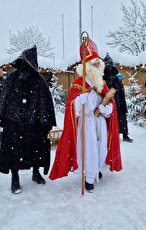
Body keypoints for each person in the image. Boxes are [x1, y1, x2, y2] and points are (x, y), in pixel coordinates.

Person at [49, 38, 122, 193]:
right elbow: (70, 108)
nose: (97, 65)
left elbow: (110, 105)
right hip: (87, 121)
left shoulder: (101, 83)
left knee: (101, 148)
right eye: (94, 63)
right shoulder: (79, 83)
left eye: (98, 63)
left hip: (100, 122)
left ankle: (95, 169)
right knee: (89, 150)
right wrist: (78, 101)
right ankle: (89, 178)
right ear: (87, 67)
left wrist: (106, 109)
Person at [0, 46, 56, 194]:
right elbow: (4, 101)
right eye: (22, 63)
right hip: (14, 123)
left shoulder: (39, 80)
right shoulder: (12, 79)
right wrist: (3, 119)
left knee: (37, 150)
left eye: (27, 63)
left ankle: (36, 172)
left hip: (34, 123)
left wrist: (46, 121)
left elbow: (46, 101)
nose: (25, 66)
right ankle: (15, 178)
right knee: (15, 151)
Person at [103, 53, 133, 143]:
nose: (109, 69)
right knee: (111, 117)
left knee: (122, 117)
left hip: (119, 100)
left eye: (111, 67)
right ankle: (111, 134)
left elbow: (120, 90)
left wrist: (122, 102)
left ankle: (124, 134)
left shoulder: (116, 78)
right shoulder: (104, 78)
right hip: (110, 100)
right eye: (107, 67)